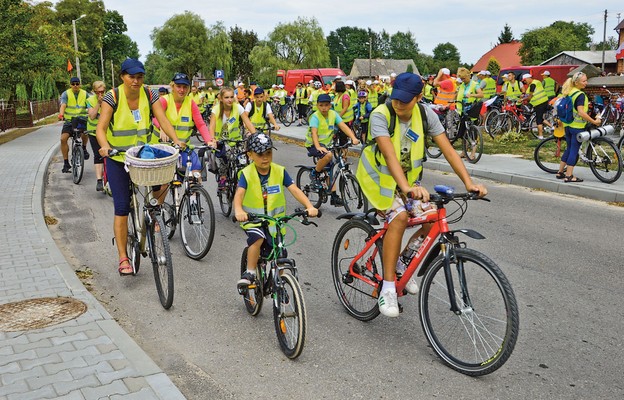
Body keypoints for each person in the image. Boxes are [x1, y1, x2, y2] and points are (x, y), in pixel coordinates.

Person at [355, 72, 487, 317]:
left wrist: (469, 182)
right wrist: (406, 188)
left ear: (418, 98)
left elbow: (448, 150)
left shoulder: (426, 115)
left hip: (407, 179)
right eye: (395, 98)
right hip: (378, 178)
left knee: (433, 214)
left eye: (404, 100)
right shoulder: (380, 115)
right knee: (399, 218)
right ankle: (388, 288)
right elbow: (389, 155)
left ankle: (403, 262)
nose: (398, 103)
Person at [95, 58, 186, 276]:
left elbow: (162, 119)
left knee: (161, 183)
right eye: (131, 77)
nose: (136, 81)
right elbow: (101, 128)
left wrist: (176, 140)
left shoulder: (149, 94)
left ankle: (154, 218)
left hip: (141, 157)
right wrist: (106, 148)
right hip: (117, 159)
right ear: (122, 77)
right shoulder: (112, 97)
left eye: (140, 77)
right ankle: (123, 257)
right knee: (122, 208)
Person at [234, 132, 318, 288]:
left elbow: (295, 189)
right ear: (250, 155)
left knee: (280, 253)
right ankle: (250, 271)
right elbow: (239, 194)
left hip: (275, 222)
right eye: (260, 154)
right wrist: (239, 210)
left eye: (268, 153)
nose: (265, 157)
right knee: (257, 239)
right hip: (254, 221)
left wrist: (309, 206)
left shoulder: (279, 171)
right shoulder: (247, 174)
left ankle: (279, 285)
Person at [153, 72, 216, 179]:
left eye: (185, 87)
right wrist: (162, 129)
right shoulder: (164, 100)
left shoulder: (190, 103)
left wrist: (209, 140)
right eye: (178, 86)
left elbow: (200, 124)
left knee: (196, 171)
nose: (181, 90)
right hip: (163, 147)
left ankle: (193, 194)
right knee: (162, 186)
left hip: (182, 147)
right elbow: (155, 118)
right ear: (172, 86)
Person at [306, 93, 360, 206]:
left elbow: (344, 126)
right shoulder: (315, 117)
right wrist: (318, 147)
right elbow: (314, 133)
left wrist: (353, 138)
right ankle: (314, 173)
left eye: (326, 105)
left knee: (330, 169)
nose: (324, 108)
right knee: (329, 156)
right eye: (321, 105)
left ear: (330, 105)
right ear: (317, 105)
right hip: (313, 144)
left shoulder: (333, 114)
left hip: (327, 145)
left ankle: (334, 196)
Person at [555, 72, 601, 183]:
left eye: (586, 80)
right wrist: (594, 121)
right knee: (574, 150)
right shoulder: (580, 95)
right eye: (584, 81)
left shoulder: (569, 92)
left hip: (568, 125)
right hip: (577, 127)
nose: (586, 83)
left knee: (569, 148)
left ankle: (560, 172)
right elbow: (581, 112)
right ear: (576, 82)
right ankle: (569, 176)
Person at [209, 86, 257, 188]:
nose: (230, 100)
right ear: (221, 98)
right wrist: (212, 140)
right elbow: (212, 126)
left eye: (231, 97)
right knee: (224, 162)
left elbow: (247, 122)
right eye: (226, 97)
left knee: (244, 161)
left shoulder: (238, 107)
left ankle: (242, 182)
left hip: (236, 141)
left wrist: (256, 135)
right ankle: (222, 180)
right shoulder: (216, 109)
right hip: (221, 142)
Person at [58, 77, 90, 172]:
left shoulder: (85, 94)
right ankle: (66, 163)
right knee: (63, 139)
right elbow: (63, 105)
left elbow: (90, 105)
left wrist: (92, 113)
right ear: (70, 85)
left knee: (85, 132)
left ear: (80, 84)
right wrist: (61, 114)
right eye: (73, 84)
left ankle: (83, 148)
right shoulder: (66, 94)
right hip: (69, 121)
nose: (75, 86)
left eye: (77, 84)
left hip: (82, 120)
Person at [86, 81, 107, 191]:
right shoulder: (90, 100)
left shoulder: (109, 98)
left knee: (109, 154)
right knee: (98, 155)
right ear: (94, 92)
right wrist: (98, 103)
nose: (101, 94)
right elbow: (92, 116)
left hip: (106, 132)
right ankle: (99, 180)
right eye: (98, 92)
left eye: (103, 92)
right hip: (93, 131)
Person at [522, 74, 552, 139]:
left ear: (528, 78)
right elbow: (528, 94)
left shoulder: (533, 84)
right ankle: (552, 127)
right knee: (539, 117)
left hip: (540, 103)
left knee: (538, 120)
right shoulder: (535, 83)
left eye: (525, 80)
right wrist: (523, 96)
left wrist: (522, 100)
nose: (525, 82)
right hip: (541, 102)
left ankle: (540, 136)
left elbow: (529, 97)